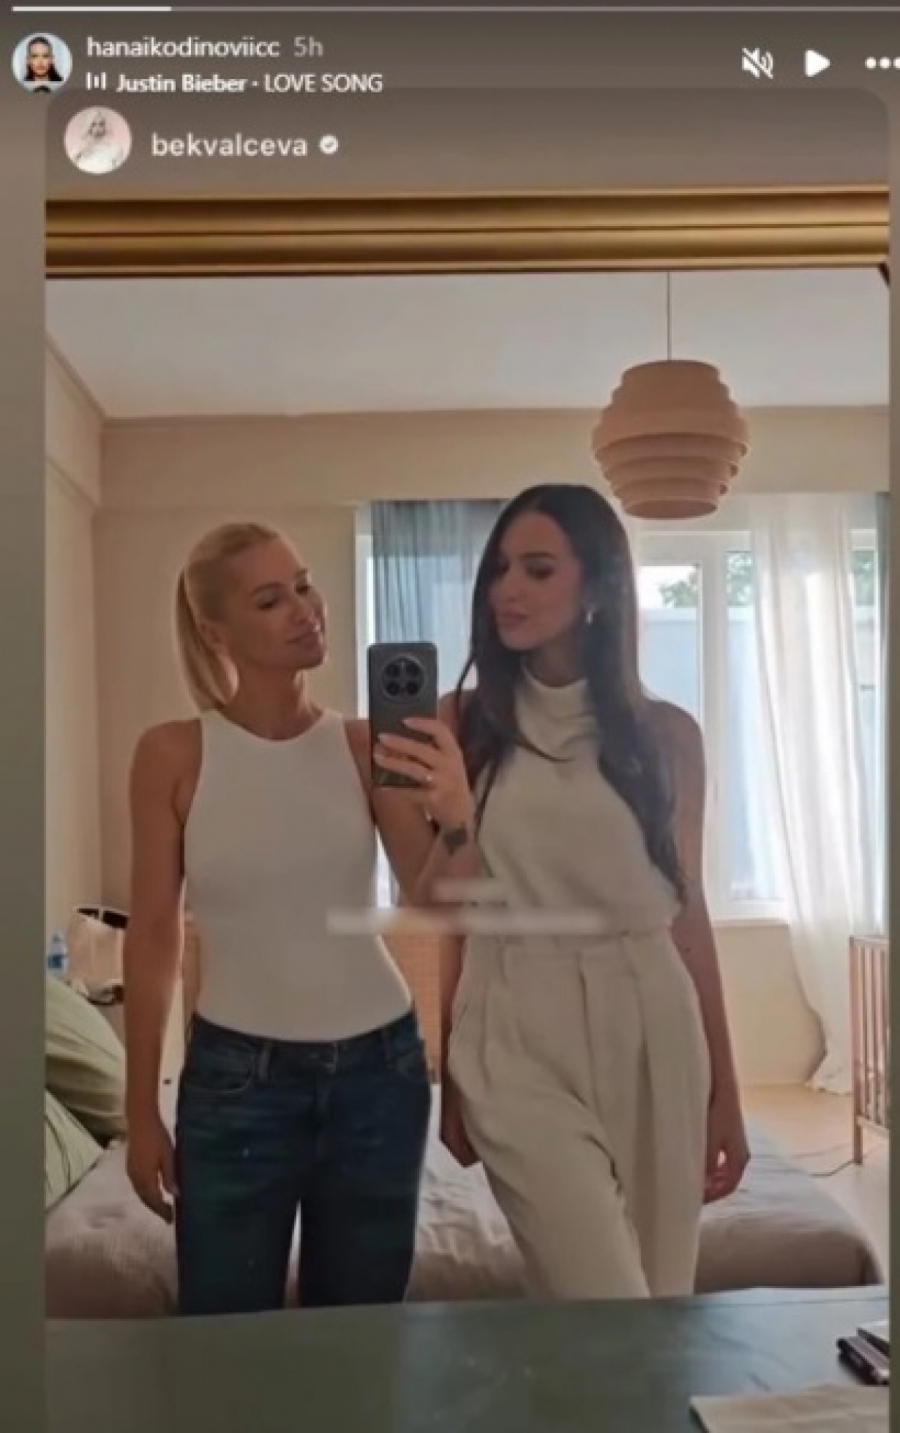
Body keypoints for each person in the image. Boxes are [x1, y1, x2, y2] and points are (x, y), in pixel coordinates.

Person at [373, 483, 750, 1301]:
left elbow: (687, 912)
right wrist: (456, 821)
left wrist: (727, 1087)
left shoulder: (667, 736)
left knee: (660, 1303)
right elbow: (439, 913)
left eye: (538, 569)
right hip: (512, 1020)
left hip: (651, 1012)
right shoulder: (459, 724)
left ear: (599, 586)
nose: (507, 589)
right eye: (500, 569)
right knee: (604, 1296)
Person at [123, 522, 433, 1315]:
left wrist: (451, 800)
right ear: (215, 631)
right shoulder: (172, 754)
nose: (305, 609)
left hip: (380, 1074)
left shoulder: (365, 745)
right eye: (270, 599)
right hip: (236, 1083)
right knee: (225, 1341)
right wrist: (140, 1109)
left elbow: (432, 893)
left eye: (303, 584)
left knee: (360, 1342)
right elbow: (153, 935)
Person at [67, 109, 128, 174]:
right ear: (88, 126)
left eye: (101, 124)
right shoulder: (79, 149)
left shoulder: (115, 148)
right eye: (93, 124)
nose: (97, 128)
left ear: (105, 127)